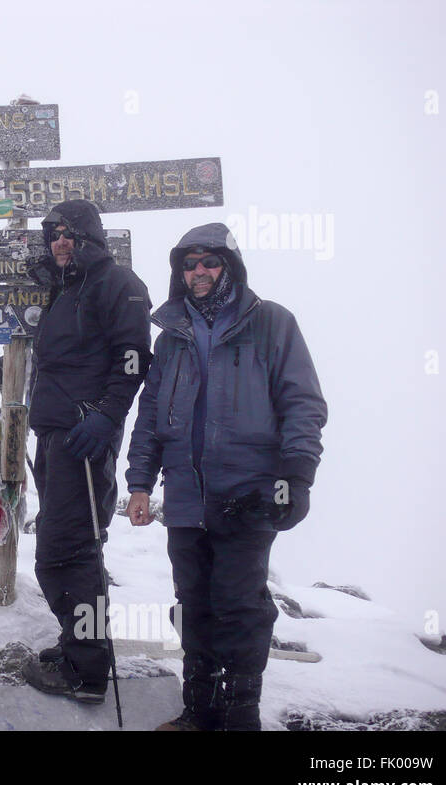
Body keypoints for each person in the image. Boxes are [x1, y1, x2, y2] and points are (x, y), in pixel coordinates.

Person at [124, 223, 326, 731]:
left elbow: (303, 404)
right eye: (189, 264)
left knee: (240, 606)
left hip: (249, 495)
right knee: (193, 604)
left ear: (229, 266)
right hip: (187, 500)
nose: (199, 272)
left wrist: (296, 477)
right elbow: (150, 415)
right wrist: (140, 484)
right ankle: (200, 712)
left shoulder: (272, 324)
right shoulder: (171, 339)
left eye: (209, 262)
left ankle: (240, 719)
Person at [0, 199, 152, 703]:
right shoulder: (68, 289)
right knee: (67, 550)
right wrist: (9, 372)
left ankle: (87, 672)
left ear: (92, 239)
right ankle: (81, 649)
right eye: (54, 233)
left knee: (69, 553)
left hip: (84, 437)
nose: (60, 240)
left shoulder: (117, 284)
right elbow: (66, 361)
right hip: (58, 434)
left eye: (71, 232)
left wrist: (107, 416)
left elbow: (133, 359)